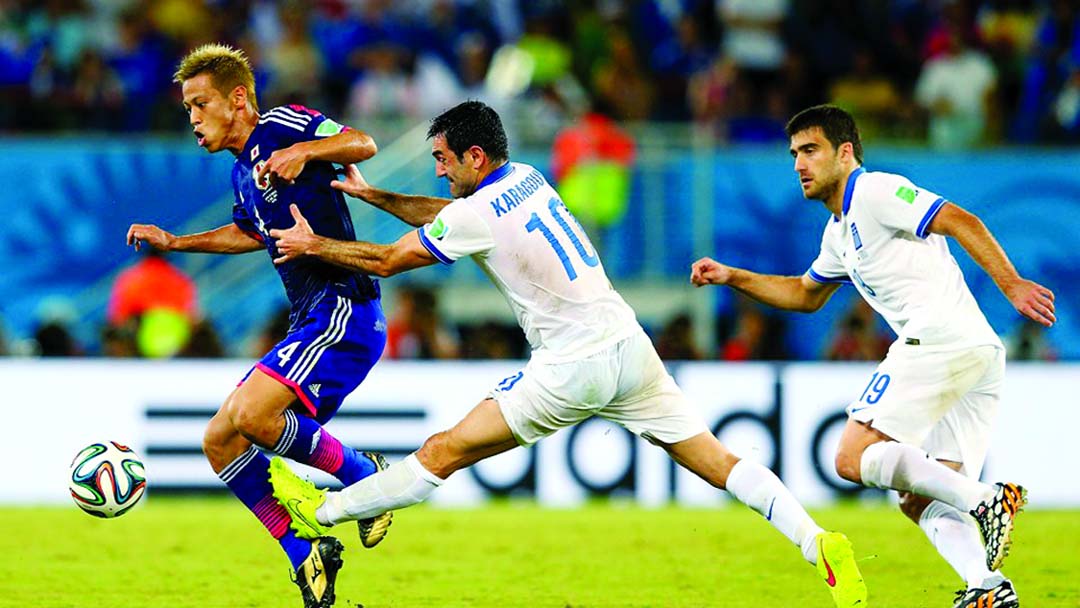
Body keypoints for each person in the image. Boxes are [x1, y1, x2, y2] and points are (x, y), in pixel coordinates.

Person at [266, 101, 867, 608]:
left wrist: (314, 243)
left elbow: (392, 260)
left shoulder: (475, 211)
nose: (440, 172)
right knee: (719, 461)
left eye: (444, 160)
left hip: (571, 368)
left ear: (476, 157)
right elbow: (454, 217)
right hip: (629, 347)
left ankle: (328, 510)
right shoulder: (526, 176)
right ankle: (817, 543)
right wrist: (375, 195)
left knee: (442, 452)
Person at [690, 105, 1056, 608]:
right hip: (975, 353)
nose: (799, 164)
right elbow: (804, 294)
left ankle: (989, 500)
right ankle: (986, 587)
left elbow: (959, 219)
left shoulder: (877, 192)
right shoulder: (838, 233)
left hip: (939, 340)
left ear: (845, 153)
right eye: (795, 153)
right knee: (920, 497)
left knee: (850, 458)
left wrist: (1010, 284)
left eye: (811, 150)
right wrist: (735, 276)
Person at [125, 43, 390, 608]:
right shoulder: (243, 171)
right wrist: (178, 242)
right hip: (310, 317)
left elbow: (363, 142)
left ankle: (368, 478)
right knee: (219, 441)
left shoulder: (278, 126)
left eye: (200, 104)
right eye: (187, 108)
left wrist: (305, 151)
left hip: (344, 306)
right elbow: (251, 232)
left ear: (238, 98)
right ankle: (305, 553)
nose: (192, 118)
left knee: (251, 415)